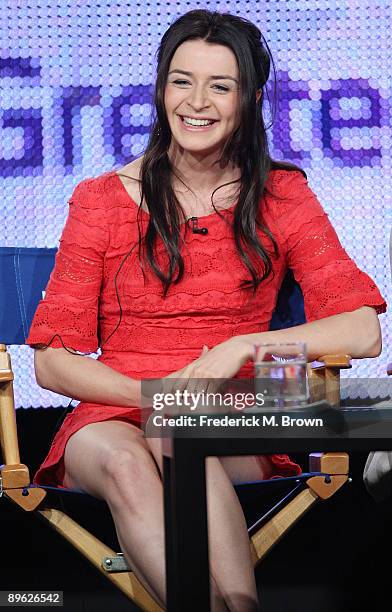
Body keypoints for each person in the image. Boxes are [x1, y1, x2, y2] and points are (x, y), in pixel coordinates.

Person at [26, 9, 386, 612]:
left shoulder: (282, 194)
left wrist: (243, 346)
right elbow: (53, 364)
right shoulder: (100, 200)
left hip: (234, 412)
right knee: (127, 459)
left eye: (220, 85)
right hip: (116, 409)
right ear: (161, 88)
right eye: (181, 80)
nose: (197, 101)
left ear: (248, 98)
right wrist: (159, 396)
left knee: (179, 435)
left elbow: (363, 330)